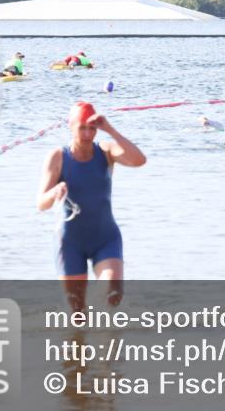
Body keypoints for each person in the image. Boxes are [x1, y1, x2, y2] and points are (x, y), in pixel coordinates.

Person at [37, 102, 146, 311]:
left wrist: (110, 129)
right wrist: (55, 191)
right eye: (82, 128)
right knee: (77, 313)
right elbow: (41, 203)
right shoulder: (58, 157)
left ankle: (108, 337)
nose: (88, 134)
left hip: (105, 237)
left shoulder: (105, 151)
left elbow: (139, 160)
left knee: (113, 294)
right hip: (70, 242)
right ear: (71, 126)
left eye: (92, 128)